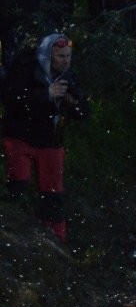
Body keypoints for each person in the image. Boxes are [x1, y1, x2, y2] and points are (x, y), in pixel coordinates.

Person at [2, 33, 89, 245]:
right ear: (48, 55)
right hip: (20, 137)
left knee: (54, 194)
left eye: (68, 56)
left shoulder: (68, 77)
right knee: (18, 185)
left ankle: (56, 243)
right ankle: (11, 235)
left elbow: (83, 112)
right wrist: (46, 95)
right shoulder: (26, 68)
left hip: (51, 142)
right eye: (61, 56)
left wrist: (71, 103)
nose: (66, 61)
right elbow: (11, 99)